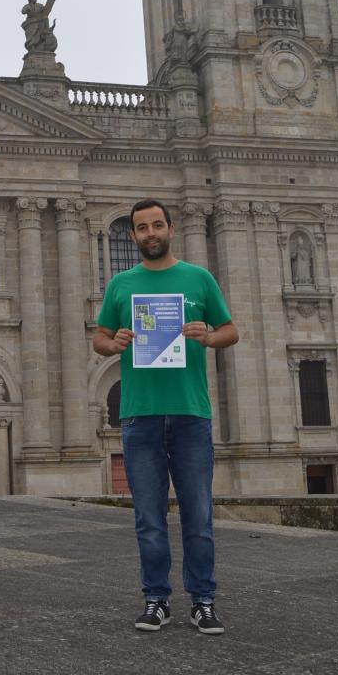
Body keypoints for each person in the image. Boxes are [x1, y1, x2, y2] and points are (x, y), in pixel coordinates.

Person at [93, 199, 238, 636]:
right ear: (133, 235)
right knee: (149, 517)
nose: (150, 232)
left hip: (192, 413)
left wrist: (209, 336)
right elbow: (99, 339)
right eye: (142, 227)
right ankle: (156, 599)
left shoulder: (199, 278)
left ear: (170, 229)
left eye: (157, 225)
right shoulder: (121, 285)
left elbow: (231, 330)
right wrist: (114, 342)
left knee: (198, 515)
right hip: (139, 416)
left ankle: (203, 601)